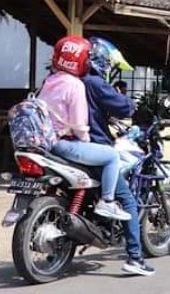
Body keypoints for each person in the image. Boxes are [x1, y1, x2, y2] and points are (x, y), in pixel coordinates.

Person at [37, 35, 130, 223]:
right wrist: (86, 141)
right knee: (111, 156)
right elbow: (79, 126)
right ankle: (107, 201)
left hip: (45, 141)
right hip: (64, 144)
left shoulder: (49, 80)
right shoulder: (76, 85)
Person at [81, 37, 154, 276]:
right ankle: (135, 257)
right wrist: (131, 105)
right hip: (95, 147)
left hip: (68, 144)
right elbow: (122, 107)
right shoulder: (95, 83)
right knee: (128, 201)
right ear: (103, 62)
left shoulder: (72, 81)